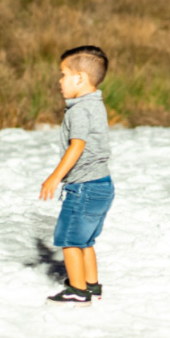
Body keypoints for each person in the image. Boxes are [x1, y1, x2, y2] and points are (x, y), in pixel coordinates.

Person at [41, 46, 115, 304]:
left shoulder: (79, 110)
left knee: (70, 239)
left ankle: (77, 289)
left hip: (83, 187)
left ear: (80, 78)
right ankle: (92, 284)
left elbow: (77, 145)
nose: (59, 81)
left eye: (63, 74)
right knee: (86, 240)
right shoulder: (95, 104)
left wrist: (55, 177)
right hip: (102, 184)